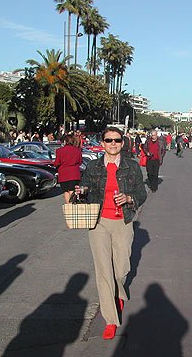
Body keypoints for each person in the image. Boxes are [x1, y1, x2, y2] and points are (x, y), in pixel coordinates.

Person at [76, 127, 147, 340]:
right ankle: (111, 319)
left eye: (116, 140)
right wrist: (82, 190)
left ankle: (120, 293)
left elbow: (141, 194)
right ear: (103, 143)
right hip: (99, 221)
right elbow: (86, 186)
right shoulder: (93, 165)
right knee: (104, 271)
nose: (112, 143)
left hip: (123, 221)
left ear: (122, 143)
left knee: (121, 269)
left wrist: (128, 198)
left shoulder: (131, 167)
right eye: (108, 140)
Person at [54, 134, 83, 204]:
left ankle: (68, 207)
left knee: (66, 191)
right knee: (72, 191)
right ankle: (72, 207)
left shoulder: (59, 151)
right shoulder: (77, 150)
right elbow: (80, 162)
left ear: (65, 141)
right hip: (74, 174)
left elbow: (56, 163)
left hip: (63, 174)